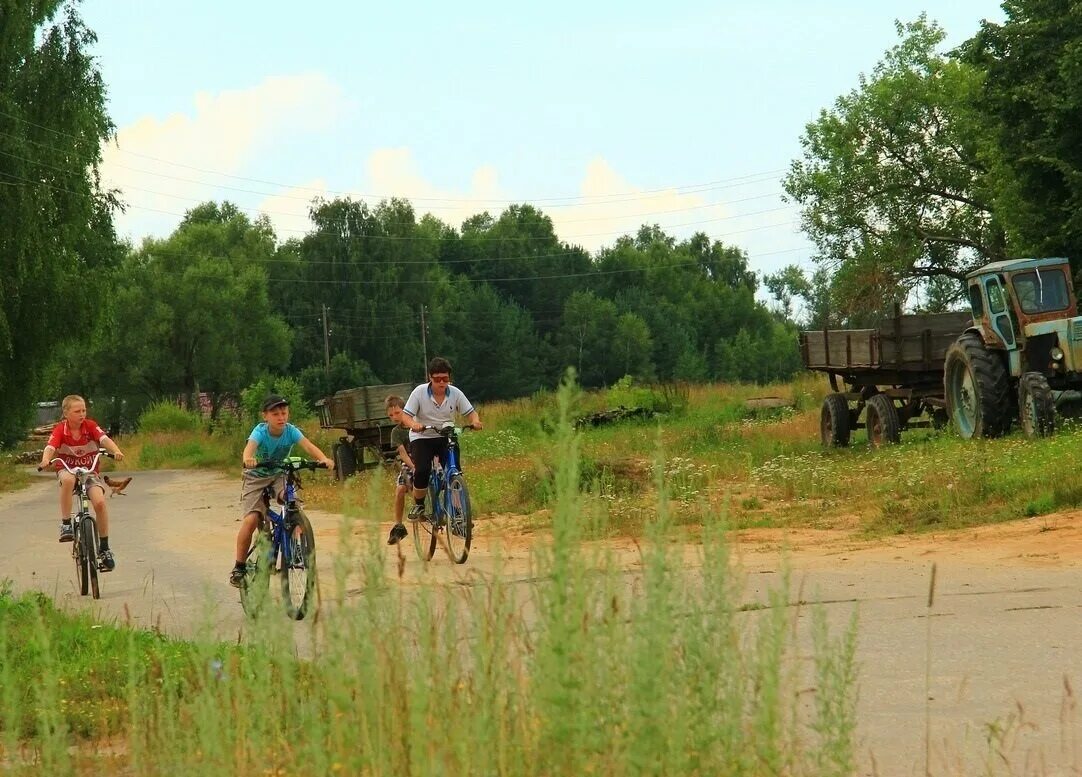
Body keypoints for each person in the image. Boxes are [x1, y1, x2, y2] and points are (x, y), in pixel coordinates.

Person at [229, 394, 334, 588]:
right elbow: (248, 450)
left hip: (279, 474)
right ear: (265, 416)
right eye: (275, 413)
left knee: (291, 502)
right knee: (251, 519)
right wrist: (248, 459)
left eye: (284, 413)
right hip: (256, 476)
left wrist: (324, 458)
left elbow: (309, 446)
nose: (280, 417)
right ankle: (239, 566)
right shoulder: (260, 432)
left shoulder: (291, 431)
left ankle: (295, 548)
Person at [38, 395, 126, 571]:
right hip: (67, 469)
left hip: (89, 471)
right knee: (69, 480)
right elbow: (50, 448)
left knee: (100, 503)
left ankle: (104, 548)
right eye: (77, 411)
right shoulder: (59, 430)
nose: (82, 414)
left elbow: (104, 439)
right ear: (66, 413)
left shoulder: (90, 426)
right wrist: (45, 460)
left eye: (84, 410)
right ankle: (65, 524)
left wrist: (116, 451)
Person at [399, 357, 482, 520]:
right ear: (430, 377)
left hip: (446, 435)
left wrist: (475, 421)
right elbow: (405, 416)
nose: (442, 383)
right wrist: (414, 424)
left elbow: (471, 413)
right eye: (438, 379)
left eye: (445, 379)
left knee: (454, 471)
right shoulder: (419, 392)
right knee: (422, 470)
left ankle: (458, 515)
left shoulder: (456, 393)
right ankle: (419, 505)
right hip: (422, 436)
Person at [384, 395, 416, 545]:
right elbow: (402, 454)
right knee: (400, 488)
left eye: (397, 413)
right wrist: (413, 467)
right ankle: (398, 526)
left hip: (426, 458)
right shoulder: (396, 432)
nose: (395, 417)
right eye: (391, 415)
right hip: (410, 462)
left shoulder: (416, 424)